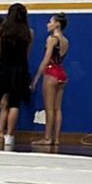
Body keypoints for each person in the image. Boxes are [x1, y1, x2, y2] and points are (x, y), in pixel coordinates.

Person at [0, 2, 33, 149]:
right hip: (20, 68)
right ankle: (9, 135)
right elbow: (27, 53)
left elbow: (0, 51)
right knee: (15, 102)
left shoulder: (2, 31)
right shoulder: (28, 32)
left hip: (5, 67)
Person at [33, 14, 69, 152]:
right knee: (57, 108)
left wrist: (36, 77)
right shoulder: (65, 40)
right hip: (61, 73)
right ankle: (56, 138)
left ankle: (47, 138)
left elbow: (46, 59)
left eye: (50, 22)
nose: (48, 24)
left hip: (51, 73)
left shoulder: (52, 39)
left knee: (49, 108)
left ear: (57, 24)